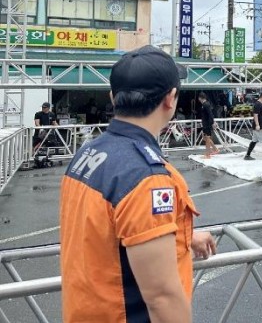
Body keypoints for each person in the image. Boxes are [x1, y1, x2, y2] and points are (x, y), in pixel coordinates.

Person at [59, 45, 216, 323]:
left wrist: (182, 239)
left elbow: (107, 229)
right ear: (171, 99)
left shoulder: (89, 153)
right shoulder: (146, 177)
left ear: (112, 97)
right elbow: (162, 296)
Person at [198, 92, 220, 158]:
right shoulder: (205, 104)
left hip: (207, 124)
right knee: (205, 138)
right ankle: (215, 149)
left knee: (207, 139)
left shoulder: (206, 105)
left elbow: (210, 114)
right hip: (205, 124)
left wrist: (213, 122)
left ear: (200, 98)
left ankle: (208, 155)